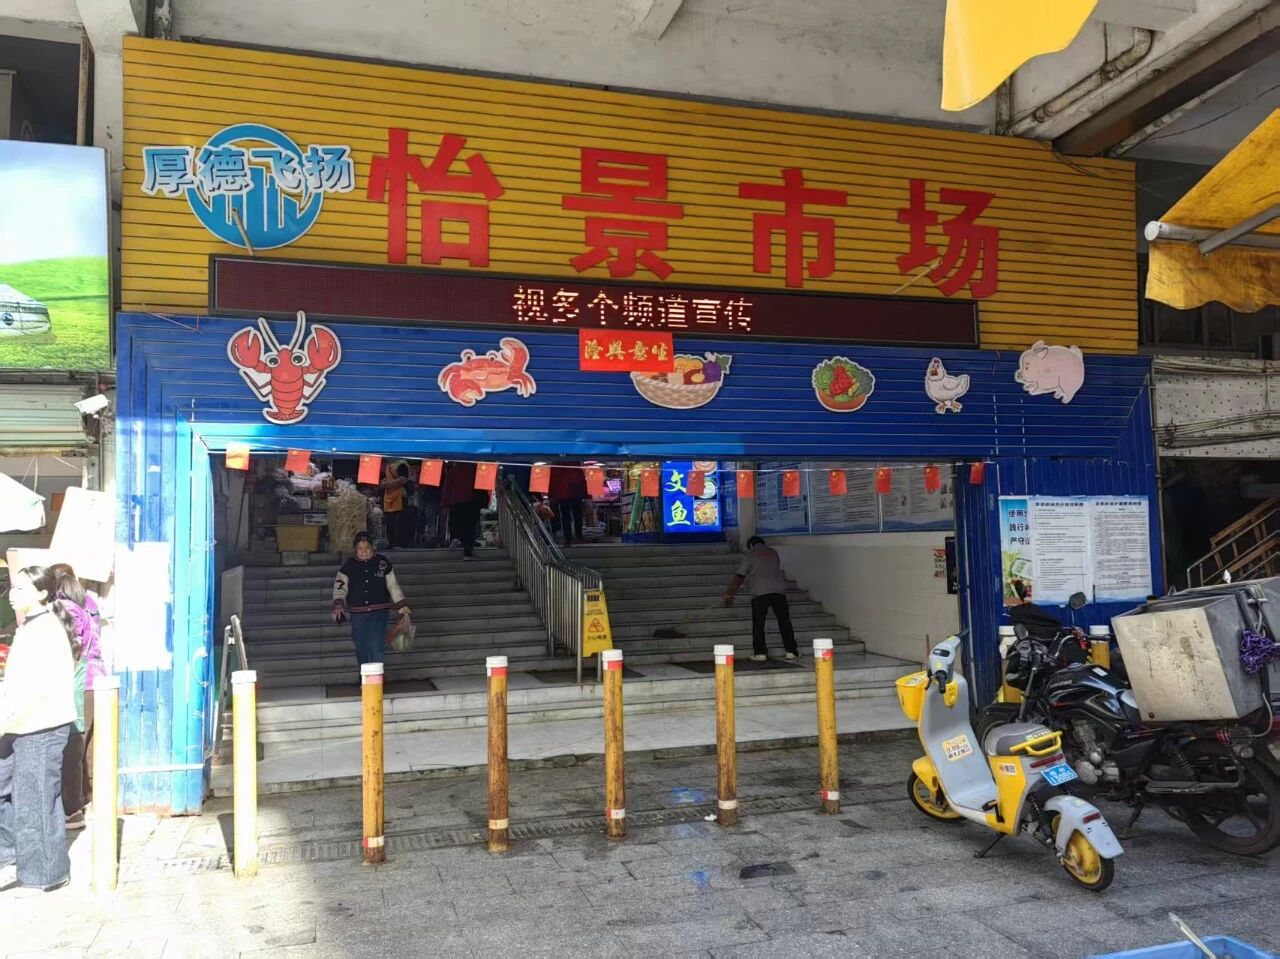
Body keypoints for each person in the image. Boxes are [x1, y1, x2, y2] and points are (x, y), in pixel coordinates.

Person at [0, 566, 80, 895]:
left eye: (21, 588)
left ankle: (47, 872)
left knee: (35, 798)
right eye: (13, 587)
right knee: (9, 789)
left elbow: (31, 687)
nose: (12, 594)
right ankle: (11, 852)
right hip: (19, 724)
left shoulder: (44, 629)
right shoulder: (30, 626)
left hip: (41, 724)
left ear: (42, 594)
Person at [48, 564, 103, 830]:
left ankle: (72, 810)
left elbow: (70, 647)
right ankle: (91, 801)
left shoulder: (64, 607)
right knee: (89, 745)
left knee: (73, 745)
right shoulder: (88, 601)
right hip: (97, 678)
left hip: (78, 682)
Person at [332, 533, 411, 668]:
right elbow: (340, 586)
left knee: (376, 646)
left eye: (367, 548)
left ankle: (377, 677)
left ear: (372, 547)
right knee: (360, 645)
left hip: (379, 613)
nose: (364, 552)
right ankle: (364, 674)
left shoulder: (382, 563)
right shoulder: (349, 565)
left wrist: (402, 605)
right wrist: (338, 603)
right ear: (355, 549)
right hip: (358, 614)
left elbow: (392, 585)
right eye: (360, 549)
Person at [724, 536, 798, 661]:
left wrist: (730, 593)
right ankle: (791, 651)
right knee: (784, 622)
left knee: (758, 624)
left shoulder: (750, 555)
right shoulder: (773, 552)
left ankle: (760, 653)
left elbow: (740, 576)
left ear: (751, 545)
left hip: (760, 593)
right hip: (778, 592)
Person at [442, 462, 485, 561]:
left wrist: (445, 504)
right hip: (471, 501)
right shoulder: (474, 470)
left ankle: (455, 538)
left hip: (455, 501)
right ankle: (467, 552)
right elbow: (480, 487)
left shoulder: (453, 470)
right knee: (469, 527)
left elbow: (447, 488)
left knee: (457, 523)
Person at [549, 462, 588, 547]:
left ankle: (568, 539)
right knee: (577, 515)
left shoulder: (556, 463)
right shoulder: (575, 462)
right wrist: (586, 494)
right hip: (575, 491)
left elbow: (552, 481)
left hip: (563, 493)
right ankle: (578, 537)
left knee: (566, 517)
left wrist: (552, 495)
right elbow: (581, 479)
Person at [379, 461, 413, 549]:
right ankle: (391, 543)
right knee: (390, 522)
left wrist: (387, 484)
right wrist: (383, 483)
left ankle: (399, 543)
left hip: (399, 498)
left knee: (398, 522)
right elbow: (385, 480)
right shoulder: (389, 465)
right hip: (389, 498)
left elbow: (403, 480)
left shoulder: (401, 464)